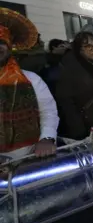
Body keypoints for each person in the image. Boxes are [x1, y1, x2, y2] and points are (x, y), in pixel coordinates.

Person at [0, 9, 58, 159]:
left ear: (9, 45)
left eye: (1, 42)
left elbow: (48, 111)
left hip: (30, 156)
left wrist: (47, 138)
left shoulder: (32, 79)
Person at [56, 31, 93, 140]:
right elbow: (66, 103)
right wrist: (78, 130)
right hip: (85, 124)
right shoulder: (69, 68)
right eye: (87, 46)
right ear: (79, 48)